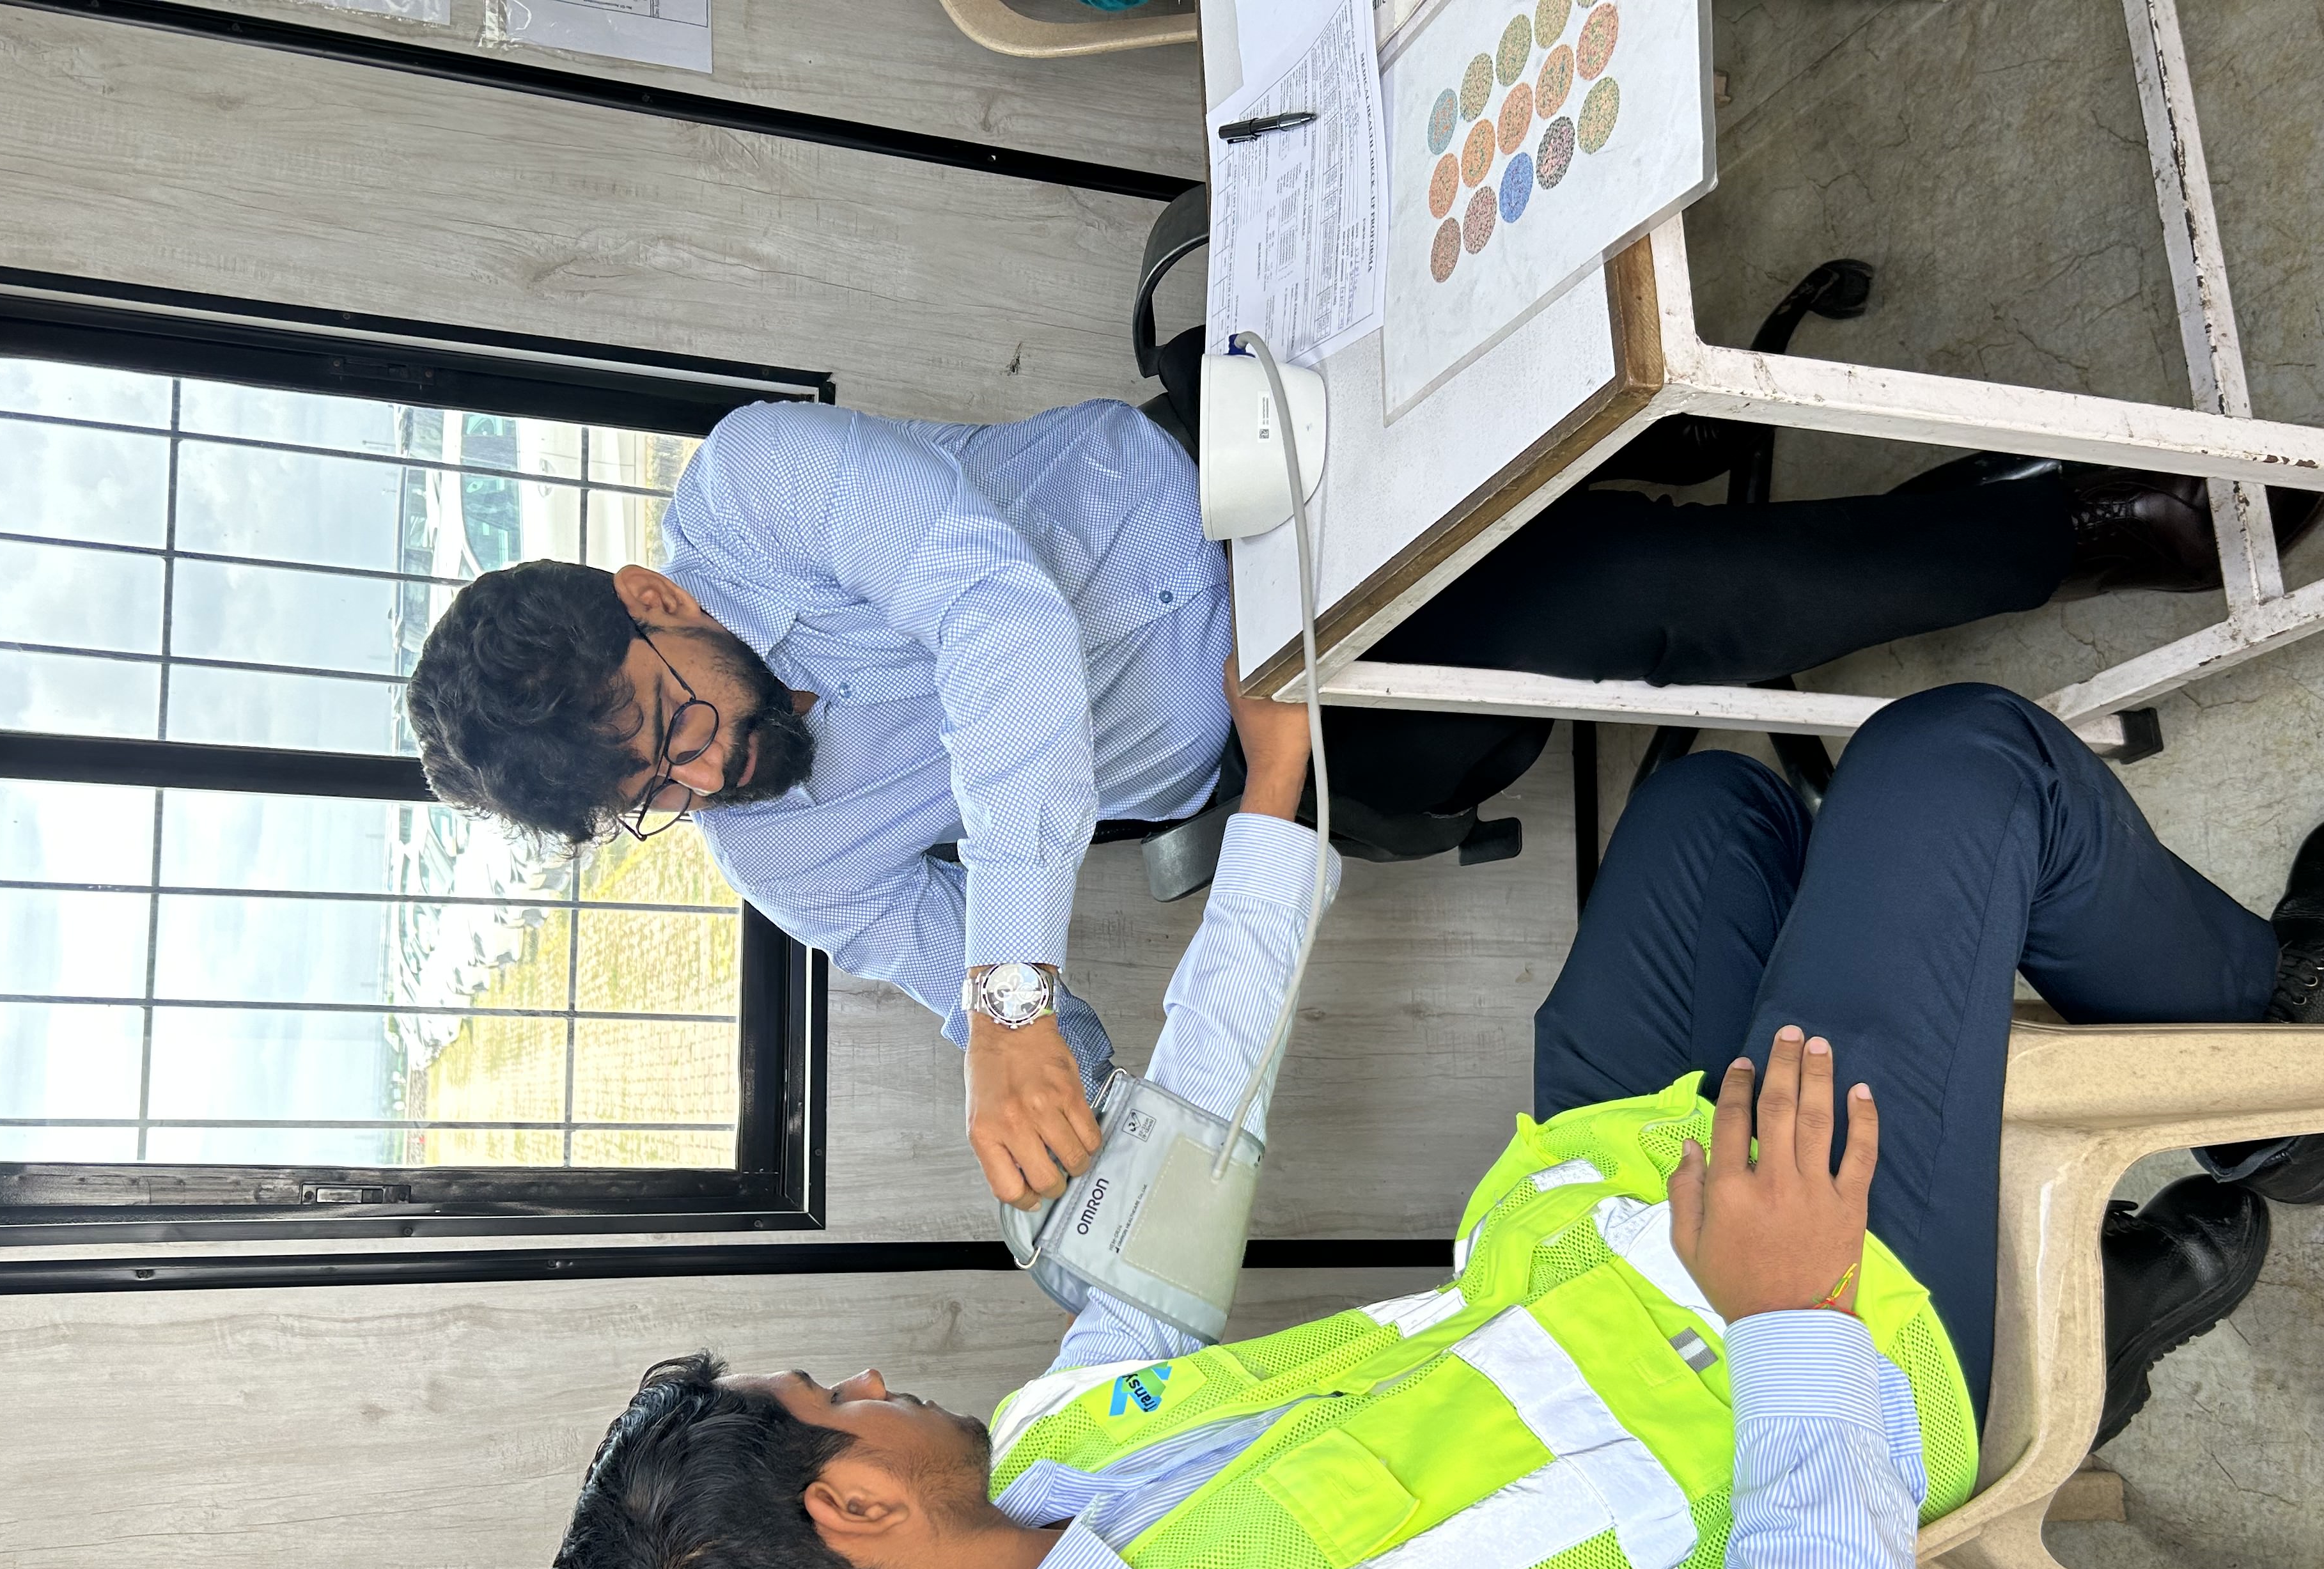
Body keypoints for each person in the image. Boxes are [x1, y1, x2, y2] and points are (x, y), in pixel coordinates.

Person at [527, 681, 2312, 1569]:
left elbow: (1201, 1126)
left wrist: (1275, 803)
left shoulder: (1057, 1448)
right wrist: (1795, 1330)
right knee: (1958, 759)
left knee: (1708, 810)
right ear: (855, 1503)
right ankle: (2288, 1057)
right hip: (1808, 1325)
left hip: (1600, 1217)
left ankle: (2136, 1240)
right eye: (832, 1396)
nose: (868, 1373)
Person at [405, 391, 2310, 1210]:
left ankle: (2063, 519)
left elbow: (986, 608)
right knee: (1640, 622)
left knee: (1635, 539)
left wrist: (1002, 993)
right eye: (654, 799)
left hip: (1245, 503)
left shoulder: (752, 488)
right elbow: (984, 987)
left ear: (655, 603)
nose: (705, 776)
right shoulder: (778, 855)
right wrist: (1062, 1093)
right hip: (1280, 744)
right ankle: (2005, 534)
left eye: (669, 732)